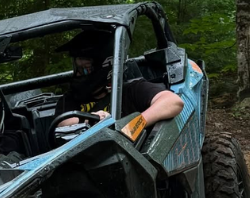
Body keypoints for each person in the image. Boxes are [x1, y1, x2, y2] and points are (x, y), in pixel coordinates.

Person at [55, 29, 184, 127]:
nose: (78, 75)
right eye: (77, 69)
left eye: (85, 69)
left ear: (105, 66)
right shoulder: (71, 99)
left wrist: (135, 125)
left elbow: (173, 102)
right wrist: (91, 118)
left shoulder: (130, 90)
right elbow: (62, 123)